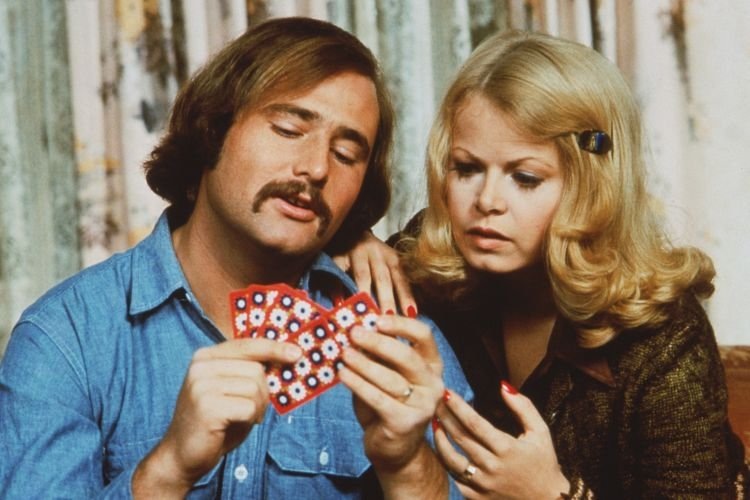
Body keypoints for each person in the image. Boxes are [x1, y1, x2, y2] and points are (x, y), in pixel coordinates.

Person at [0, 17, 471, 498]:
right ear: (213, 129)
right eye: (288, 129)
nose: (316, 167)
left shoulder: (402, 343)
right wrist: (169, 468)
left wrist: (408, 464)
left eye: (347, 154)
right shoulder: (67, 337)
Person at [340, 30, 749, 498]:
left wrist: (552, 493)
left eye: (525, 177)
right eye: (468, 169)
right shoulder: (429, 260)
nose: (487, 201)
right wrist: (353, 236)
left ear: (590, 187)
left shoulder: (666, 337)